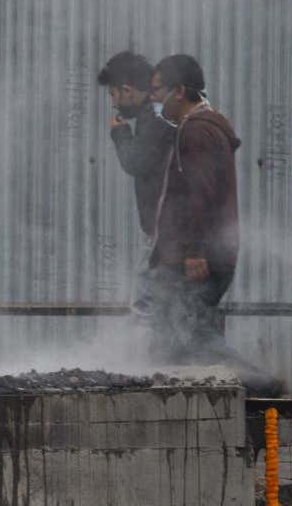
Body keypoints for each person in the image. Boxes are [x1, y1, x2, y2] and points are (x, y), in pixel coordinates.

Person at [143, 54, 240, 365]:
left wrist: (195, 251)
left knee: (191, 334)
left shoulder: (196, 132)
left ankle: (258, 384)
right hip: (200, 253)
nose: (154, 99)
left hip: (197, 257)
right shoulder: (203, 128)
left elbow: (200, 194)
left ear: (180, 91)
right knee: (177, 336)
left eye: (158, 91)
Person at [97, 51, 174, 240]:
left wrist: (120, 131)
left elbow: (135, 162)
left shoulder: (155, 115)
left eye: (113, 94)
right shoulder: (158, 110)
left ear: (127, 90)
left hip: (172, 233)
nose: (114, 103)